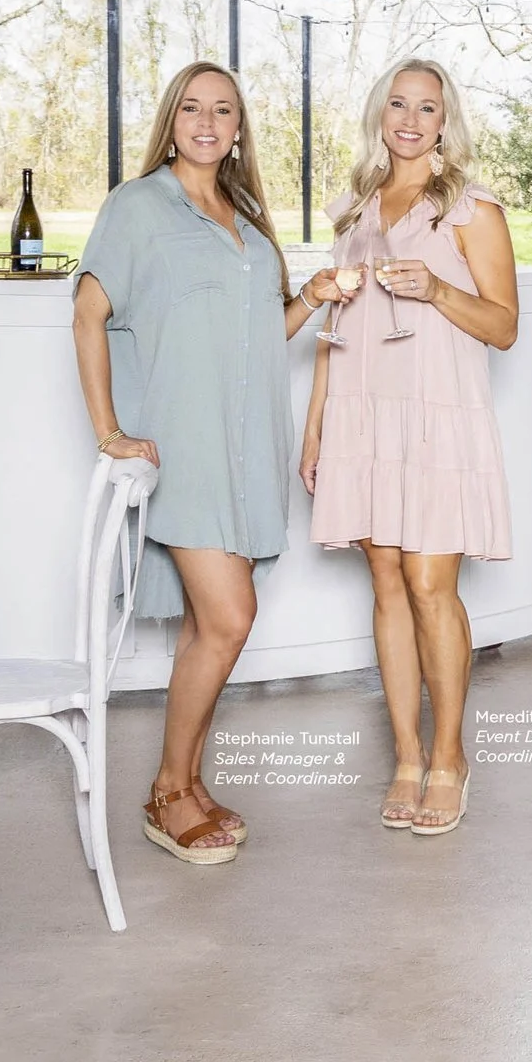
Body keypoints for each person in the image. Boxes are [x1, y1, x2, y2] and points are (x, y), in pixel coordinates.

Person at [72, 60, 323, 866]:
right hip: (184, 450)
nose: (207, 123)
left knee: (202, 628)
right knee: (230, 618)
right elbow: (87, 313)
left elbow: (257, 336)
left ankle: (185, 781)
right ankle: (167, 792)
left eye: (223, 110)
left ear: (239, 127)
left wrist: (311, 299)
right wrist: (109, 430)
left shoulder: (244, 217)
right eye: (191, 108)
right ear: (171, 119)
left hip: (245, 449)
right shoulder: (138, 206)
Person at [300, 59, 518, 838]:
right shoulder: (356, 208)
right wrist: (318, 421)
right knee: (386, 585)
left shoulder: (470, 209)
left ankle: (450, 757)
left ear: (445, 122)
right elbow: (336, 327)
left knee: (431, 586)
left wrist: (437, 290)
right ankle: (403, 755)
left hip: (436, 413)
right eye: (399, 104)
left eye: (428, 108)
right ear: (379, 113)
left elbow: (503, 326)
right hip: (362, 414)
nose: (411, 119)